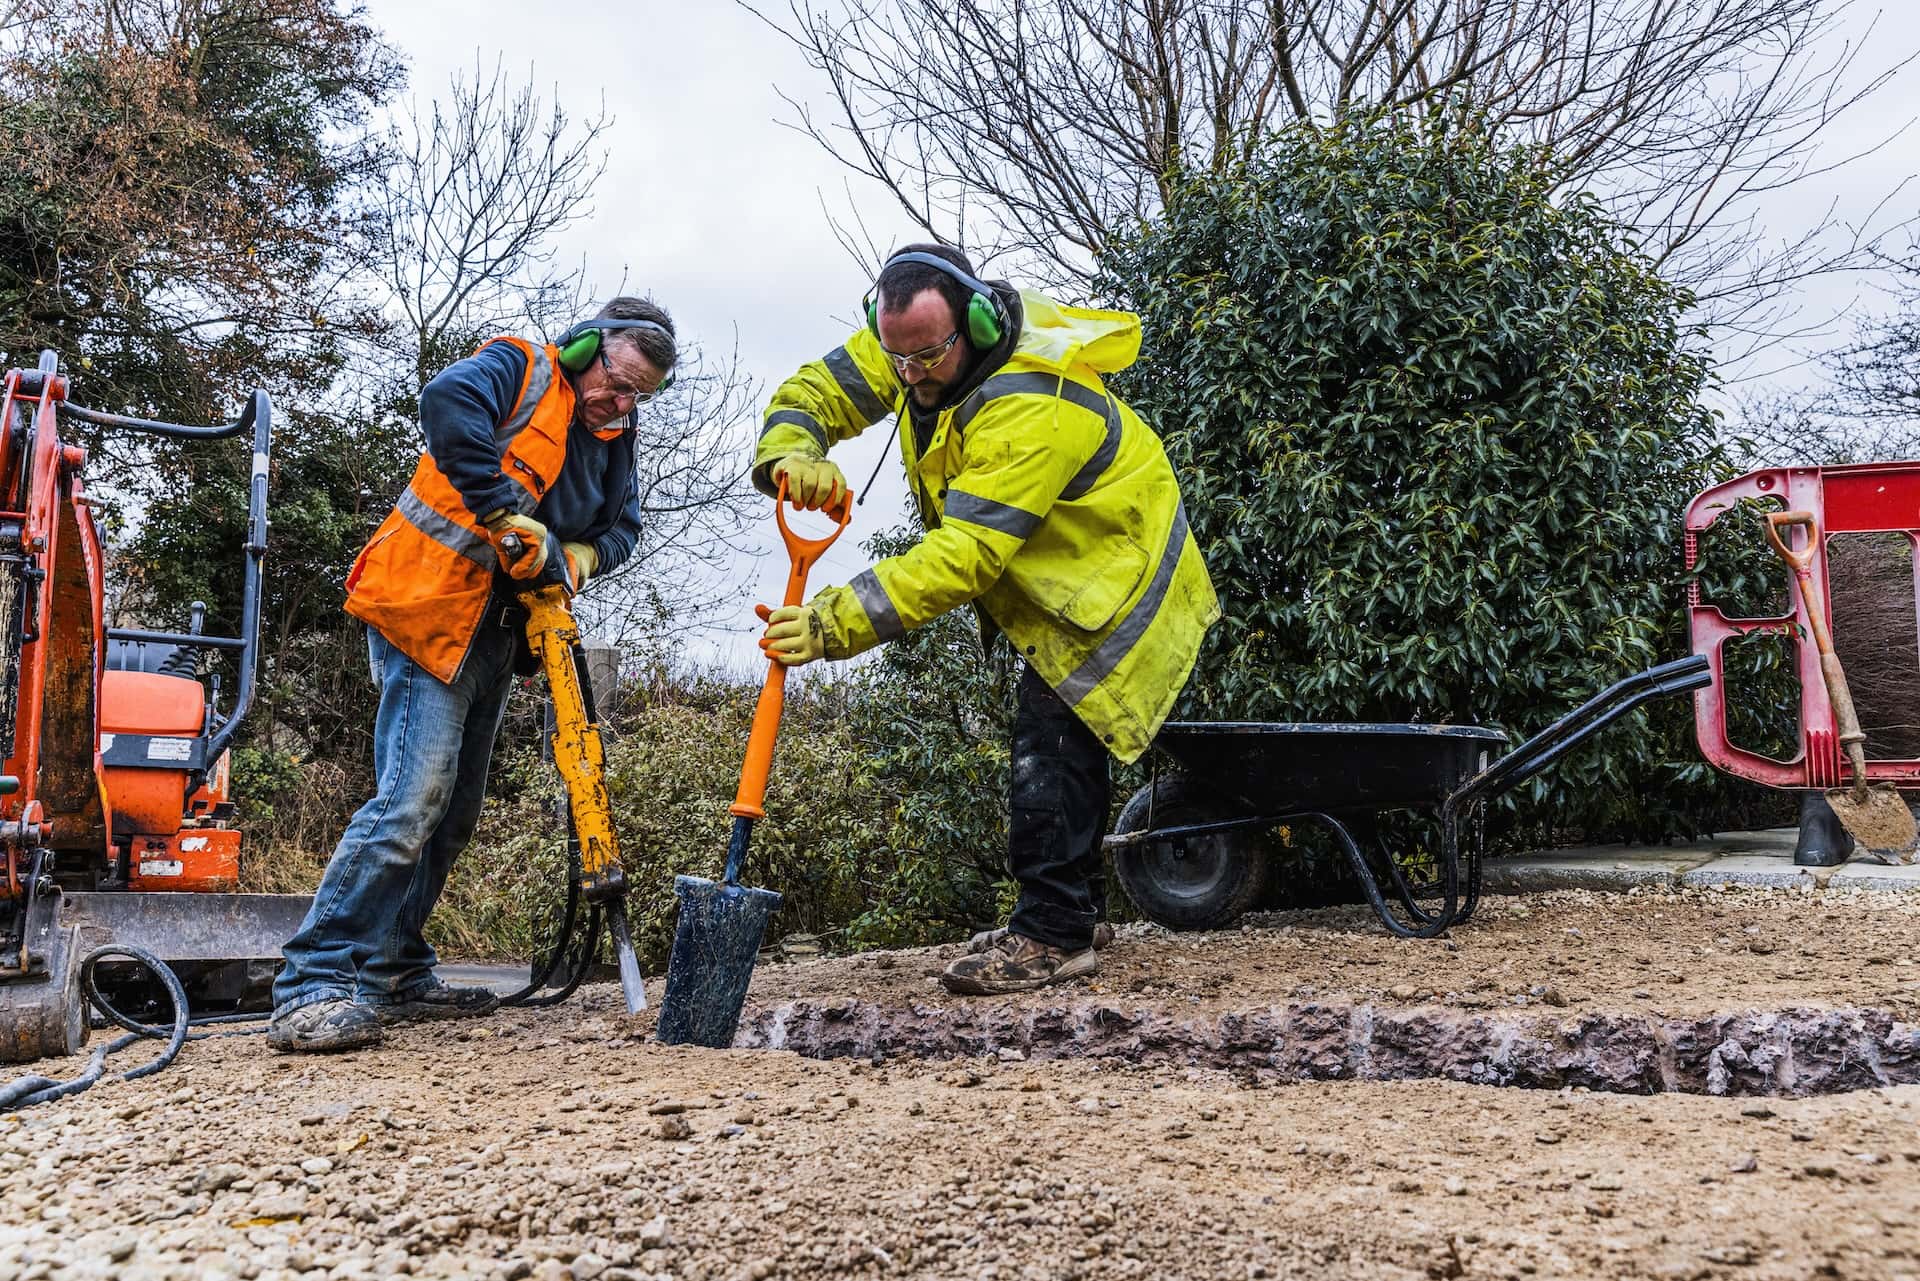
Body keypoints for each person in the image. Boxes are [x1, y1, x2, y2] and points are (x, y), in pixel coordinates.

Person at [754, 246, 1217, 995]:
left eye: (927, 357)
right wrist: (791, 449)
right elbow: (821, 389)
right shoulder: (916, 342)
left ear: (970, 321)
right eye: (896, 357)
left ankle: (1052, 934)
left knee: (1051, 741)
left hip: (1114, 575)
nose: (910, 375)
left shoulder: (1029, 402)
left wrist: (833, 623)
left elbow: (965, 553)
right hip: (1061, 567)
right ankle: (1076, 909)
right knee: (1061, 737)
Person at [267, 298, 677, 1052]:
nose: (620, 403)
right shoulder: (521, 368)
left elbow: (624, 527)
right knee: (410, 800)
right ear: (588, 347)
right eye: (617, 382)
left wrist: (584, 556)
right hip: (428, 609)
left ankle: (393, 965)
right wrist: (498, 513)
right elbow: (444, 399)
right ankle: (312, 981)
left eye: (637, 394)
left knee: (452, 816)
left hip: (497, 636)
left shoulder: (615, 437)